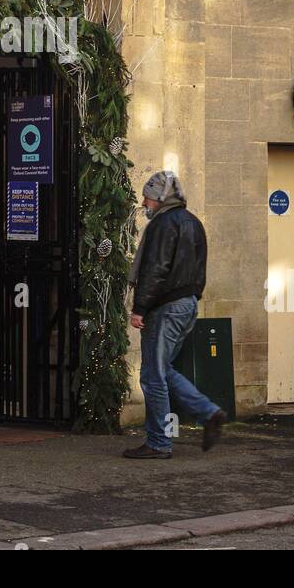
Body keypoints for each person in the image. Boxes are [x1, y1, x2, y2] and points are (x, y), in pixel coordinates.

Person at [124, 171, 226, 459]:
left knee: (153, 376)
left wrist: (139, 308)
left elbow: (155, 270)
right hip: (187, 304)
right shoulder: (194, 222)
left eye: (146, 195)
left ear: (158, 197)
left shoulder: (161, 225)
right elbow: (200, 268)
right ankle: (209, 413)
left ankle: (158, 443)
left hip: (165, 308)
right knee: (164, 369)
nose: (143, 201)